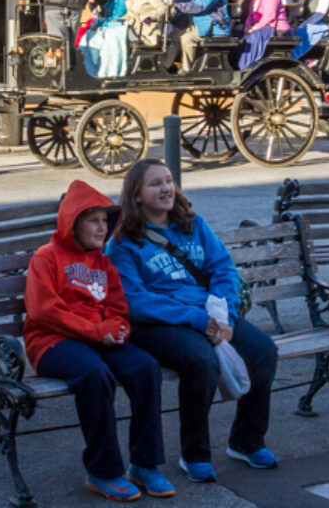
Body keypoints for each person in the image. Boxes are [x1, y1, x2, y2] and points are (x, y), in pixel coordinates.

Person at [107, 161, 279, 482]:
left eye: (169, 181)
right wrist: (198, 319)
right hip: (157, 324)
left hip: (209, 314)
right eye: (156, 183)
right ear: (137, 195)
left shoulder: (192, 224)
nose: (167, 188)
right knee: (201, 360)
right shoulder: (123, 242)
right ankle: (195, 453)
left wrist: (224, 314)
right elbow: (135, 300)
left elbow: (223, 268)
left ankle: (246, 441)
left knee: (263, 350)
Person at [24, 180, 173, 502]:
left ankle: (145, 465)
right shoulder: (46, 257)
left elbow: (119, 309)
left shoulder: (103, 263)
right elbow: (43, 310)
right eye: (93, 220)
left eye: (105, 220)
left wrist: (119, 330)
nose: (101, 227)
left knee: (145, 367)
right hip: (51, 342)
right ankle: (103, 471)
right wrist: (96, 331)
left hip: (96, 338)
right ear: (72, 223)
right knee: (94, 375)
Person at [170, 0, 230, 70]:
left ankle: (188, 70)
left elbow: (200, 6)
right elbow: (192, 3)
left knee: (187, 38)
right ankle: (172, 65)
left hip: (215, 27)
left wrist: (178, 5)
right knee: (176, 35)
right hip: (203, 24)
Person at [82, 0, 131, 79]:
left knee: (89, 38)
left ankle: (97, 72)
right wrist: (94, 1)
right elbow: (101, 8)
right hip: (109, 22)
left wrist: (102, 23)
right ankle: (93, 68)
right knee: (87, 35)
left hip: (116, 24)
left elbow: (118, 14)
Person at [237, 0, 290, 69]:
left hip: (273, 27)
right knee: (238, 36)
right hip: (260, 25)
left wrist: (255, 28)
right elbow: (250, 14)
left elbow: (270, 15)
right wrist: (247, 27)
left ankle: (246, 66)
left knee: (253, 38)